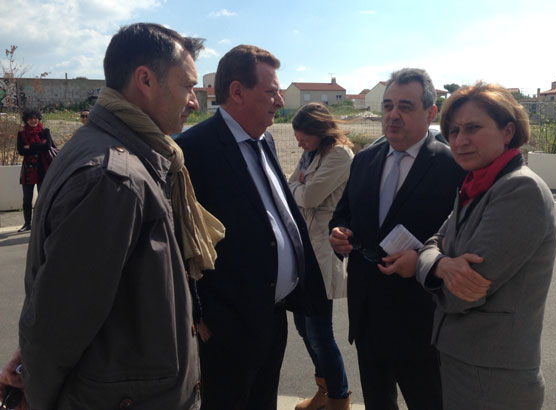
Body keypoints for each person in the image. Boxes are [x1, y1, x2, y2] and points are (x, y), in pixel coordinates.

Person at [2, 22, 225, 410]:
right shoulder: (113, 177)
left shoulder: (113, 150)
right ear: (145, 80)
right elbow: (59, 323)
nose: (194, 101)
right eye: (188, 86)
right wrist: (36, 391)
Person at [379, 83, 556, 410]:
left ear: (507, 132)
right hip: (464, 363)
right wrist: (439, 263)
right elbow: (433, 243)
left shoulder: (520, 189)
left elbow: (462, 293)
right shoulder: (478, 184)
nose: (460, 140)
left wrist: (427, 262)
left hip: (493, 377)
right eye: (454, 131)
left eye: (473, 128)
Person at [177, 45, 328, 410]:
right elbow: (180, 239)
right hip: (226, 324)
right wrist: (199, 315)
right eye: (271, 91)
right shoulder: (193, 149)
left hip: (271, 315)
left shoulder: (265, 139)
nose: (280, 100)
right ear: (237, 92)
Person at [329, 68, 466, 410]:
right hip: (367, 313)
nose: (392, 115)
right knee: (377, 402)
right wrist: (339, 232)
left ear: (430, 113)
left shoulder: (452, 166)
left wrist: (422, 261)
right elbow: (343, 213)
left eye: (405, 107)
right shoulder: (364, 160)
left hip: (420, 318)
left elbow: (464, 237)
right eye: (388, 105)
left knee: (429, 402)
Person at [288, 103, 353, 410]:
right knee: (304, 328)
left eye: (304, 138)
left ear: (319, 131)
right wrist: (299, 187)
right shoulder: (311, 154)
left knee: (319, 333)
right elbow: (290, 186)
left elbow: (310, 196)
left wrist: (299, 187)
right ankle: (323, 392)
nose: (300, 144)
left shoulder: (339, 155)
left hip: (321, 251)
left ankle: (338, 398)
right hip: (303, 251)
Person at [16, 108, 53, 232]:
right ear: (26, 120)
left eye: (35, 118)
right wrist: (39, 146)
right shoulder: (21, 133)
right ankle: (27, 223)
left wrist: (30, 147)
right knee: (27, 199)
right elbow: (21, 150)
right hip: (28, 169)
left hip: (43, 168)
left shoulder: (44, 131)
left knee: (42, 198)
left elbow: (47, 146)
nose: (33, 120)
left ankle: (42, 223)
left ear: (38, 118)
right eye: (30, 118)